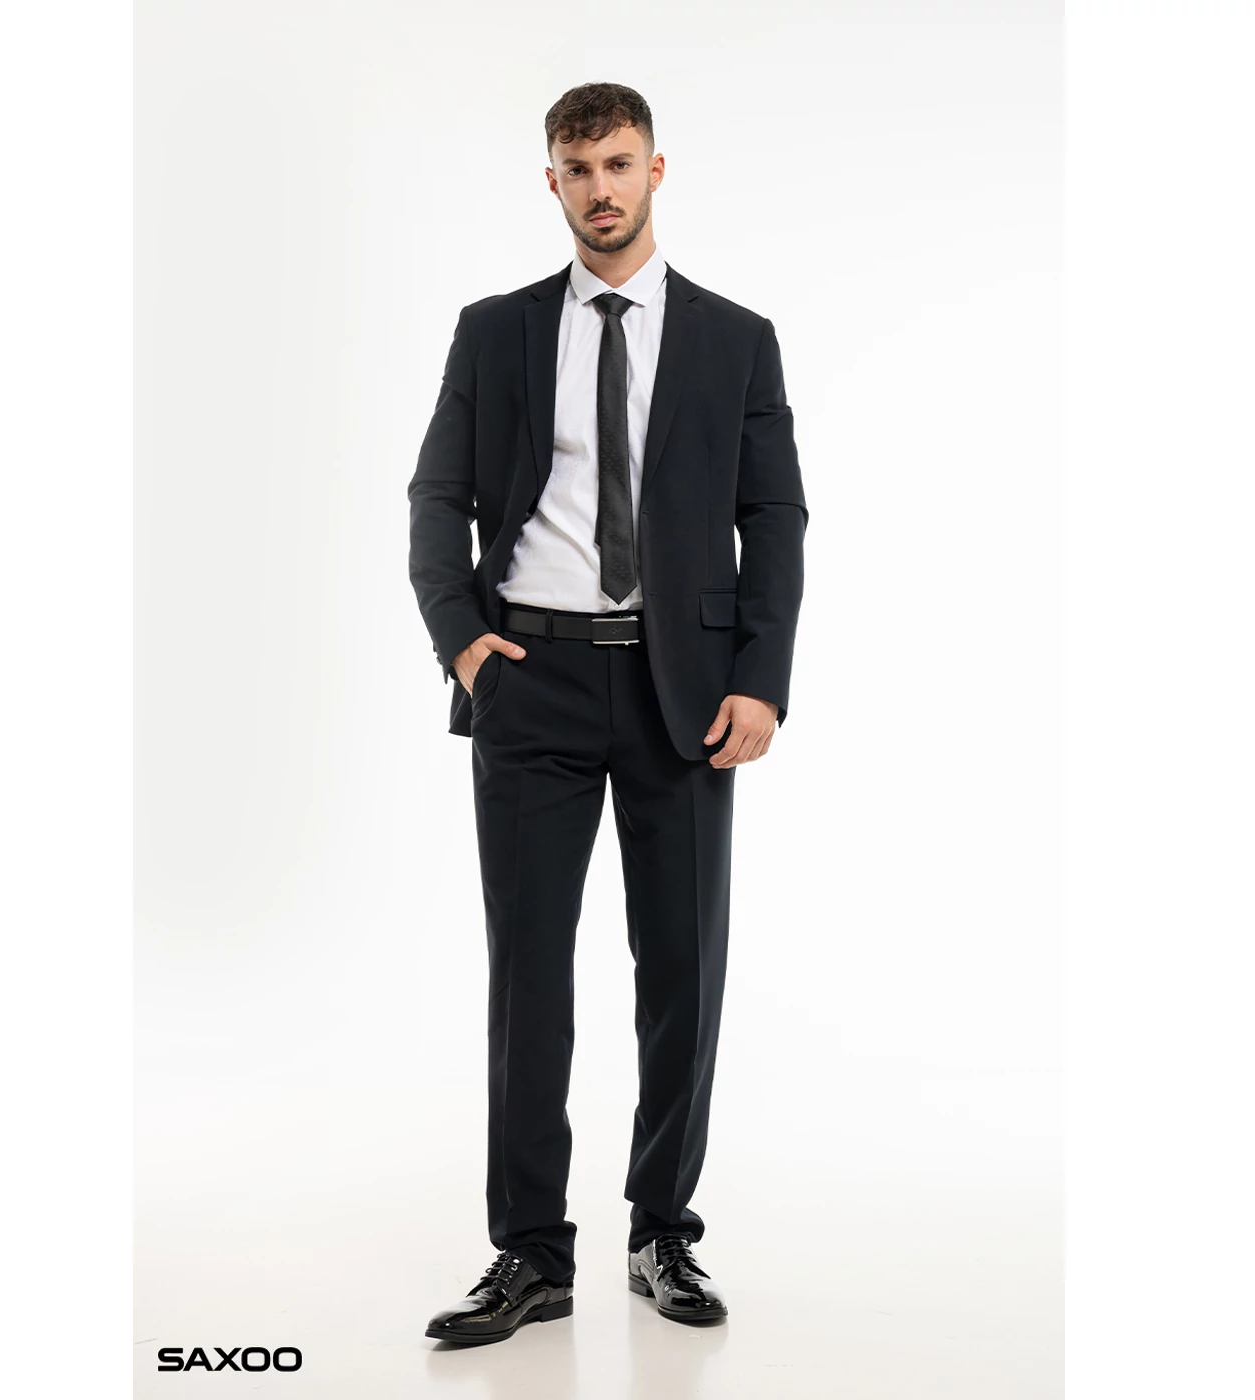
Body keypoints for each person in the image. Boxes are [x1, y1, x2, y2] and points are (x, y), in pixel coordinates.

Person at [408, 81, 808, 1346]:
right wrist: (464, 642)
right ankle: (531, 1250)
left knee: (680, 968)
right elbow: (437, 495)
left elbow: (774, 515)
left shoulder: (736, 338)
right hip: (531, 676)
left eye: (620, 164)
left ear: (655, 171)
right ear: (552, 182)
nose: (601, 189)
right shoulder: (497, 331)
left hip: (682, 690)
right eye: (578, 170)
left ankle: (661, 1230)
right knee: (529, 973)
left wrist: (761, 676)